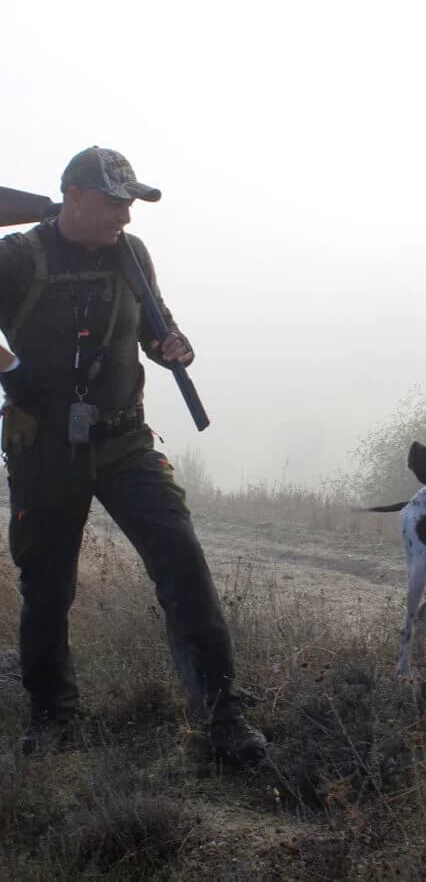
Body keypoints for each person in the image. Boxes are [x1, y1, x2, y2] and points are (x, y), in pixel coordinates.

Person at [0, 146, 267, 763]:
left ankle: (225, 718)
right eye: (116, 203)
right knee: (46, 586)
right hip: (43, 446)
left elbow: (155, 327)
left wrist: (174, 346)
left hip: (126, 442)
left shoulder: (131, 255)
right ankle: (51, 716)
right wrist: (13, 371)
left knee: (183, 565)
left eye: (131, 204)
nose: (126, 216)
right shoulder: (18, 258)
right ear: (73, 196)